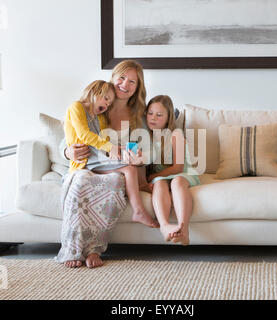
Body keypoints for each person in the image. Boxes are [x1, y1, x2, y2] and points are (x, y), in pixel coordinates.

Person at [58, 60, 158, 269]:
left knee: (113, 182)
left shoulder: (138, 116)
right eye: (121, 78)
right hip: (88, 165)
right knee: (81, 181)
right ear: (112, 79)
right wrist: (68, 152)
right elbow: (71, 136)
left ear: (137, 88)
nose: (125, 84)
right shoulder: (96, 106)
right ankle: (73, 248)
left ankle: (94, 248)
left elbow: (150, 150)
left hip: (115, 168)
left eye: (132, 82)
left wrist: (141, 157)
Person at [65, 79, 155, 225]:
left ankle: (140, 196)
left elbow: (105, 140)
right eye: (106, 99)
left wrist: (121, 149)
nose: (106, 105)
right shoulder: (76, 107)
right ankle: (138, 210)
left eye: (109, 104)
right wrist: (66, 152)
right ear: (93, 92)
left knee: (129, 164)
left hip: (96, 156)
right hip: (86, 159)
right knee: (129, 168)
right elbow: (84, 135)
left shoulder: (100, 117)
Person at [146, 95, 200, 246]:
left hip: (183, 173)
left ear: (168, 118)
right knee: (159, 183)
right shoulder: (146, 136)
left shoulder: (175, 134)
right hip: (163, 177)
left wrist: (154, 175)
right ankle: (164, 226)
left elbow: (178, 167)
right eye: (150, 113)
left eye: (159, 115)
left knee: (177, 182)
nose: (153, 118)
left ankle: (183, 229)